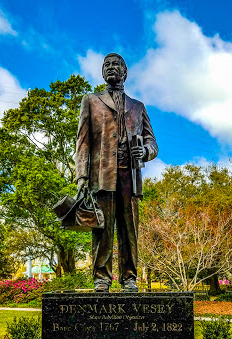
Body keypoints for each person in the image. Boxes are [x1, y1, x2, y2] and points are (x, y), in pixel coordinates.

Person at [76, 53, 158, 292]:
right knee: (102, 229)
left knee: (129, 229)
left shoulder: (138, 106)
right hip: (102, 175)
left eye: (116, 65)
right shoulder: (91, 101)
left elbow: (153, 143)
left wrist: (144, 151)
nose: (111, 68)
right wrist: (81, 176)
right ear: (103, 73)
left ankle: (129, 278)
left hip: (130, 176)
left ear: (125, 72)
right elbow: (82, 142)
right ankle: (102, 278)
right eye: (107, 65)